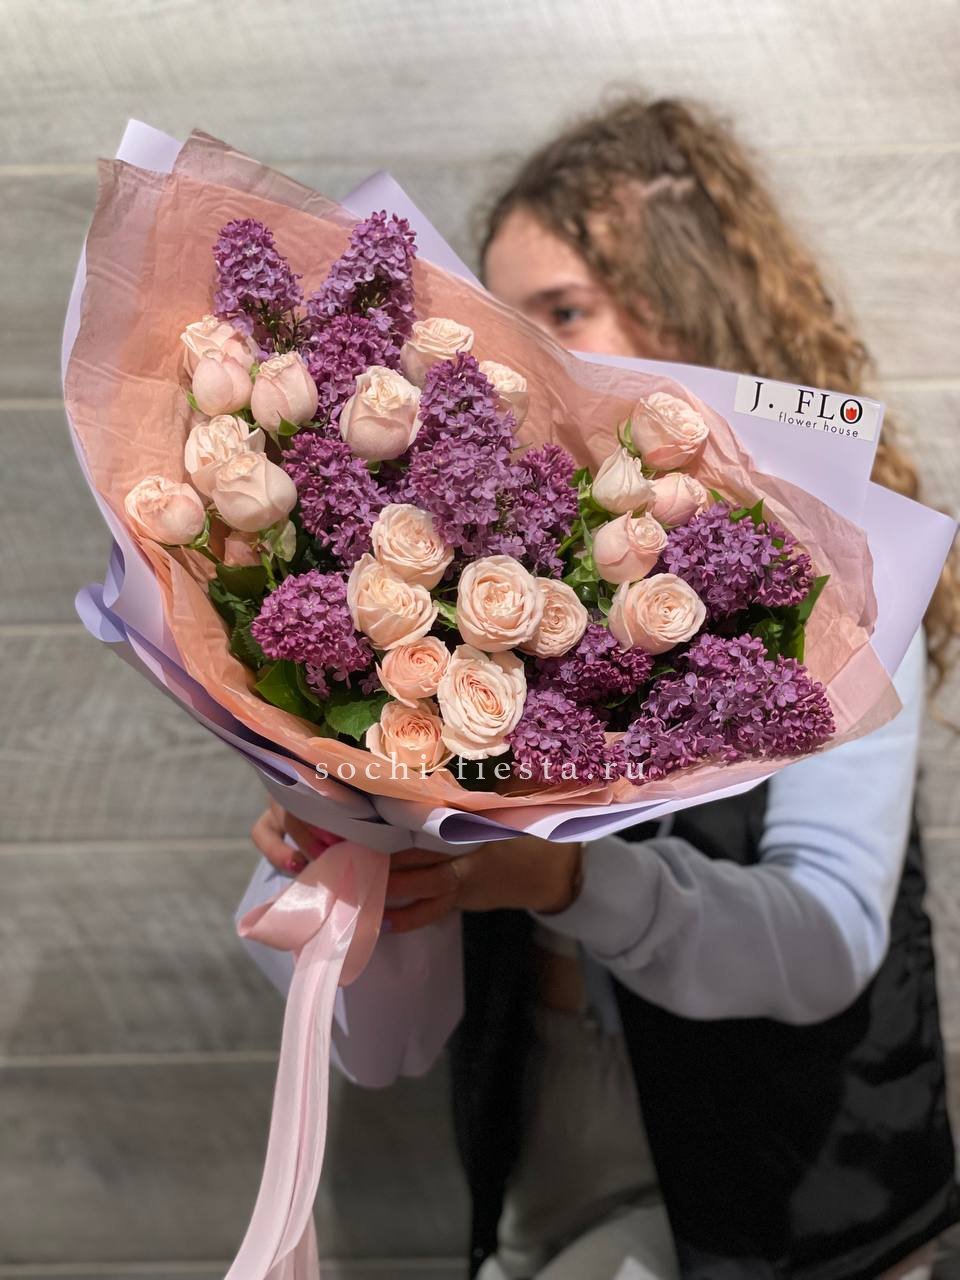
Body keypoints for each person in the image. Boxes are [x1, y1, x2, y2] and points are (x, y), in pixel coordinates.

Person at [251, 97, 960, 1280]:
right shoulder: (474, 567)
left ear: (693, 308)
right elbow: (362, 1014)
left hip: (791, 1194)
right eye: (502, 320)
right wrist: (334, 840)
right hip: (543, 1158)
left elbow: (831, 934)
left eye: (566, 310)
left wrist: (567, 878)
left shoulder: (839, 583)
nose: (522, 358)